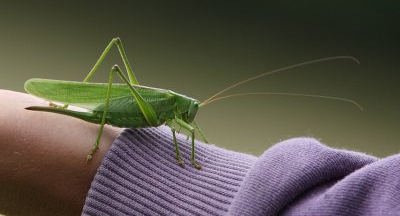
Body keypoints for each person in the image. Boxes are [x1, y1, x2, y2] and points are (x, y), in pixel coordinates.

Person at [1, 90, 399, 216]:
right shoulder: (171, 108)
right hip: (127, 110)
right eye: (191, 111)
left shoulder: (183, 116)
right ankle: (65, 100)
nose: (192, 115)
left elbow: (186, 134)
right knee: (117, 60)